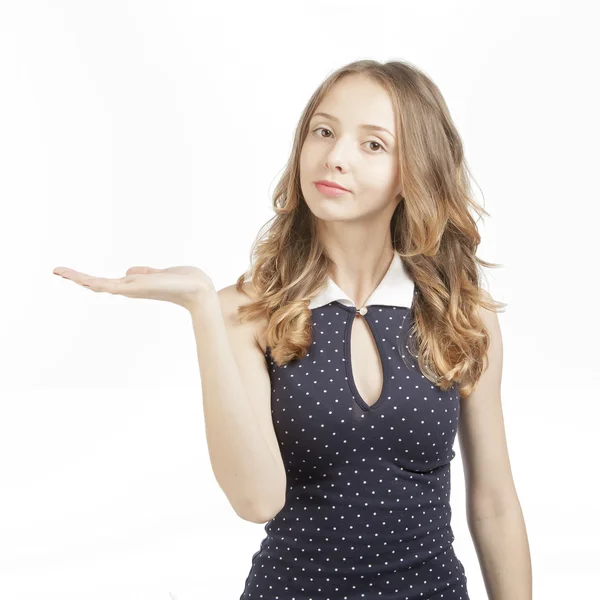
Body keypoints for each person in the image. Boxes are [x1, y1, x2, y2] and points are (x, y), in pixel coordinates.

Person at [52, 59, 532, 599]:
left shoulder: (461, 313)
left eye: (372, 145)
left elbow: (493, 502)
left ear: (414, 172)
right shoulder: (245, 313)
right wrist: (203, 311)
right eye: (323, 132)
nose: (335, 157)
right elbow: (257, 501)